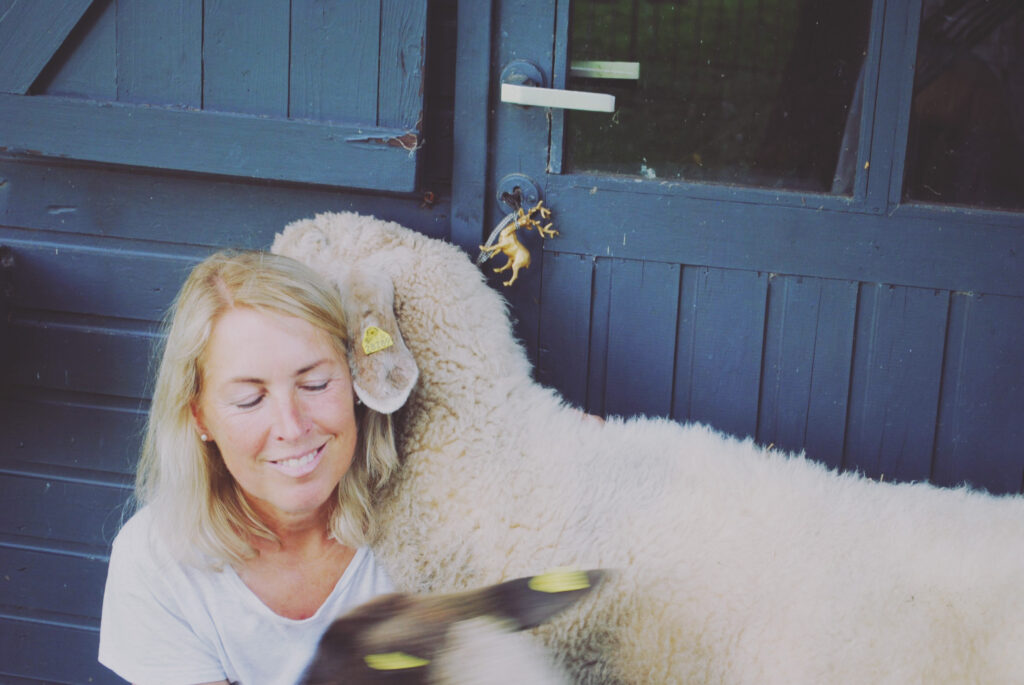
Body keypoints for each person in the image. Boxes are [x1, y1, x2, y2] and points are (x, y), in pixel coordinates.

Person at [98, 250, 401, 684]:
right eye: (250, 400)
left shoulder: (424, 524)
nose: (292, 427)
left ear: (356, 379)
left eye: (315, 384)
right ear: (199, 416)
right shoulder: (158, 560)